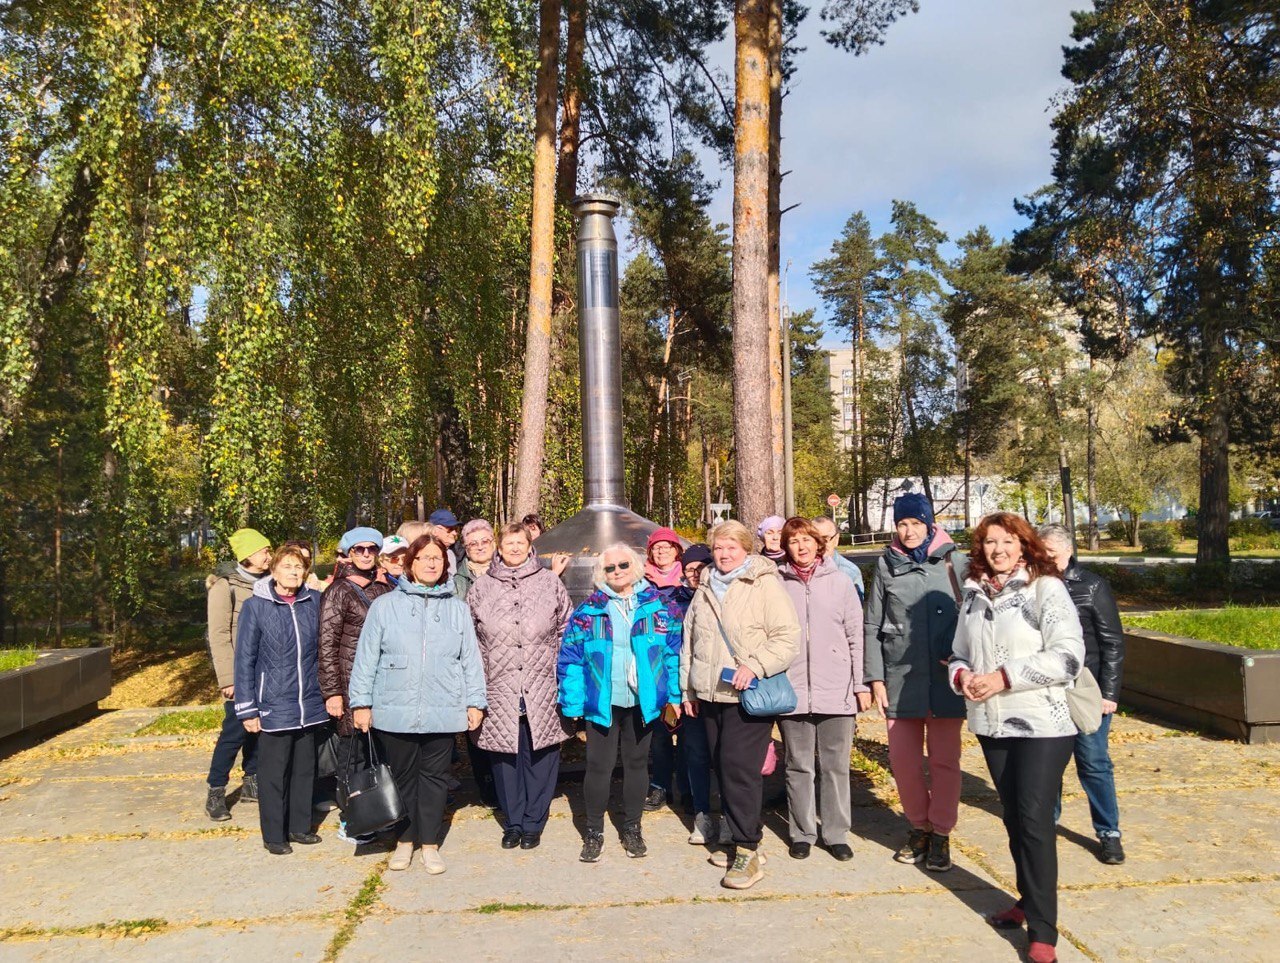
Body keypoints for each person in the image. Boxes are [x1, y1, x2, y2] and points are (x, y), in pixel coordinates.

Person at [950, 513, 1086, 963]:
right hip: (993, 723)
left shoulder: (1046, 589)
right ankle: (1027, 901)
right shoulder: (972, 594)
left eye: (1007, 541)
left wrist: (1003, 677)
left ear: (1024, 545)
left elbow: (1068, 656)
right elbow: (957, 653)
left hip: (1044, 724)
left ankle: (1044, 931)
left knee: (1033, 820)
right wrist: (964, 676)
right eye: (989, 542)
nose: (998, 549)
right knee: (1013, 818)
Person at [349, 534, 487, 873]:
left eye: (437, 559)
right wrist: (361, 703)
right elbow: (366, 658)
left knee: (436, 779)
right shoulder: (385, 606)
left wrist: (475, 701)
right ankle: (405, 840)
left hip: (443, 707)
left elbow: (470, 658)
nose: (430, 563)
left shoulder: (456, 608)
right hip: (395, 708)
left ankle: (429, 843)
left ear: (445, 566)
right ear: (409, 564)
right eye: (423, 558)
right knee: (402, 778)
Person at [680, 520, 799, 890]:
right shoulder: (705, 588)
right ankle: (741, 835)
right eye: (718, 548)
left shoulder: (763, 584)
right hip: (710, 692)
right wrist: (689, 690)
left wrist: (755, 665)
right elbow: (690, 640)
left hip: (747, 694)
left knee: (739, 768)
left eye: (732, 547)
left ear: (746, 548)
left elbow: (787, 637)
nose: (724, 554)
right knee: (721, 763)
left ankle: (748, 849)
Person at [863, 492, 968, 872]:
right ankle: (917, 828)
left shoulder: (955, 562)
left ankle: (941, 834)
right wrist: (875, 677)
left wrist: (964, 659)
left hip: (945, 681)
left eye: (916, 524)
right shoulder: (887, 565)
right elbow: (872, 623)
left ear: (930, 525)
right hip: (900, 679)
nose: (908, 531)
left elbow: (976, 617)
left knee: (944, 763)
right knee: (904, 763)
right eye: (902, 524)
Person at [559, 543, 682, 863]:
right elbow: (570, 659)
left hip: (643, 701)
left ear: (636, 566)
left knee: (637, 764)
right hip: (603, 700)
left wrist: (674, 696)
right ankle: (594, 830)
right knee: (598, 766)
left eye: (623, 565)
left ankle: (632, 827)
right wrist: (572, 704)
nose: (617, 572)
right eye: (610, 568)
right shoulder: (588, 611)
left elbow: (671, 654)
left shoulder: (658, 607)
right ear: (601, 573)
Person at [467, 522, 573, 850]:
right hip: (498, 685)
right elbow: (471, 641)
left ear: (530, 546)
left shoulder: (549, 583)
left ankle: (533, 822)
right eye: (508, 543)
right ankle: (513, 822)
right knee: (505, 757)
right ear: (499, 548)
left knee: (541, 754)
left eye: (520, 542)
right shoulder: (481, 588)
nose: (514, 548)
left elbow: (565, 631)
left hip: (542, 683)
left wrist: (562, 674)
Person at [777, 517, 865, 861]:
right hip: (793, 688)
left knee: (835, 765)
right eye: (794, 540)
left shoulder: (841, 582)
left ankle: (836, 833)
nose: (801, 546)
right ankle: (802, 832)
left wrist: (860, 684)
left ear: (820, 544)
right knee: (798, 765)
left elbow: (856, 635)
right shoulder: (776, 583)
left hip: (837, 688)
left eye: (807, 540)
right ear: (786, 546)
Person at [1038, 523, 1126, 865]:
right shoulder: (1035, 586)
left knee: (1093, 763)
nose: (1045, 561)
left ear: (1068, 552)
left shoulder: (1092, 586)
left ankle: (1109, 832)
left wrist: (1109, 693)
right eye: (1041, 555)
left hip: (1087, 690)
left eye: (1052, 556)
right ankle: (1047, 823)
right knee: (1048, 764)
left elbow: (1113, 643)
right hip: (1046, 690)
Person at [233, 544, 327, 855]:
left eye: (299, 567)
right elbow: (244, 658)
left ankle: (300, 827)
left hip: (309, 702)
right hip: (273, 703)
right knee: (274, 773)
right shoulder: (256, 606)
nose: (294, 573)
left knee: (304, 768)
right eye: (287, 567)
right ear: (274, 571)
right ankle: (274, 834)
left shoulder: (314, 601)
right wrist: (247, 708)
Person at [318, 526, 392, 845]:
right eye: (358, 549)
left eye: (370, 549)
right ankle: (353, 819)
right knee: (353, 755)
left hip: (382, 682)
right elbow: (327, 644)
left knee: (379, 752)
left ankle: (381, 811)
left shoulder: (382, 588)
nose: (365, 554)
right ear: (348, 553)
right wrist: (332, 692)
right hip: (348, 685)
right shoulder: (338, 591)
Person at [204, 527, 271, 822]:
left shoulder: (269, 583)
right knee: (234, 732)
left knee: (260, 729)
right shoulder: (225, 587)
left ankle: (251, 780)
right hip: (239, 673)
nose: (269, 555)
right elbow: (218, 635)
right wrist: (228, 679)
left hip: (266, 672)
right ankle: (216, 790)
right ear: (248, 555)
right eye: (265, 551)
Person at [642, 528, 686, 813]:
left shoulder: (691, 578)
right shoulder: (643, 584)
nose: (661, 552)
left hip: (686, 664)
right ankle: (660, 786)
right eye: (656, 548)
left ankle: (687, 786)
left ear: (676, 550)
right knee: (659, 733)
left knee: (687, 733)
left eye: (666, 547)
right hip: (655, 668)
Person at [811, 515, 865, 601]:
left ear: (836, 539)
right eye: (815, 539)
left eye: (825, 539)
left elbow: (854, 611)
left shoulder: (850, 572)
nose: (820, 545)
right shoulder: (802, 569)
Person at [455, 519, 496, 600]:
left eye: (485, 541)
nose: (480, 547)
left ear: (493, 544)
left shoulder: (508, 574)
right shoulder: (457, 582)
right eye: (473, 544)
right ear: (467, 551)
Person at [522, 512, 570, 577]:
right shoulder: (521, 553)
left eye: (533, 529)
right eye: (527, 530)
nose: (530, 533)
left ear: (540, 530)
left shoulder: (550, 549)